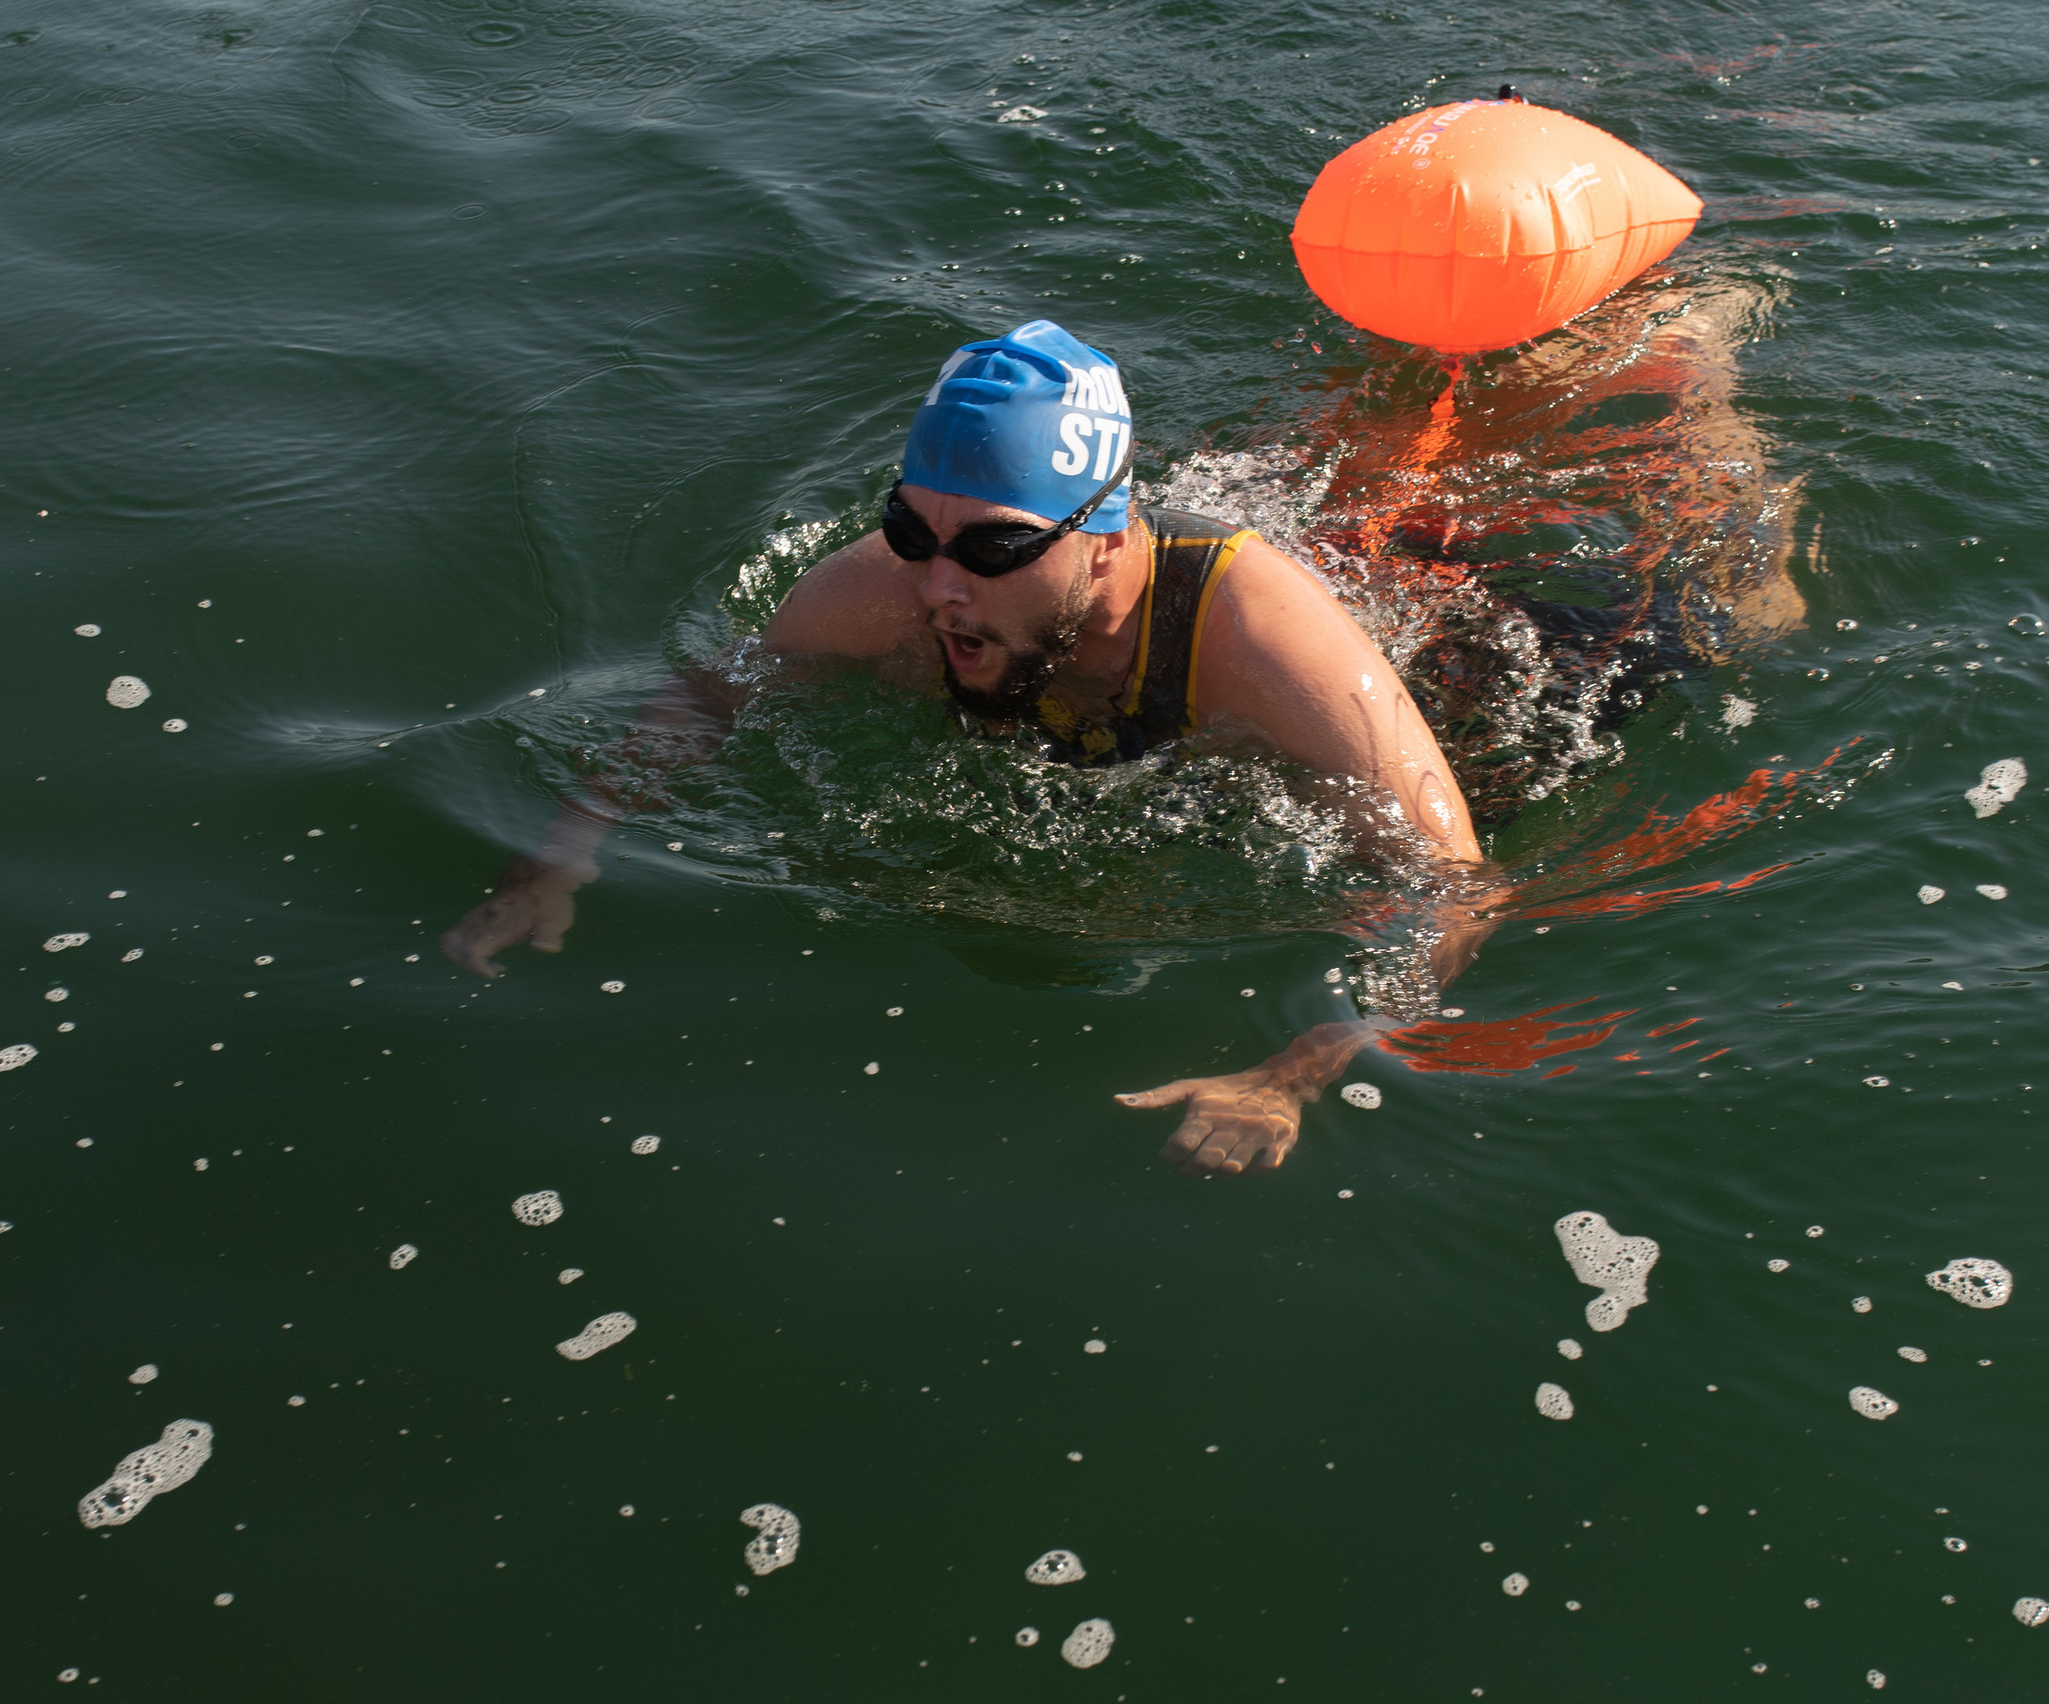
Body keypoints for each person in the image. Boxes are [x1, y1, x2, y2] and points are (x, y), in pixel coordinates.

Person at [447, 319, 1499, 1175]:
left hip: (1479, 657)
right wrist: (562, 850)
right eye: (912, 532)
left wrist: (1294, 1071)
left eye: (993, 547)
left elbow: (1456, 889)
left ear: (1104, 534)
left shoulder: (1263, 641)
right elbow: (708, 699)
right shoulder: (883, 589)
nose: (939, 586)